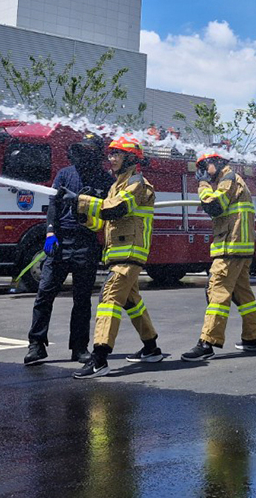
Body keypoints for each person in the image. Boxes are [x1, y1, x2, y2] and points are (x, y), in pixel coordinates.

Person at [70, 135, 164, 379]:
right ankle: (151, 348)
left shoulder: (137, 183)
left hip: (130, 252)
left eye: (116, 154)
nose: (110, 159)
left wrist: (83, 201)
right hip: (118, 253)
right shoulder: (116, 185)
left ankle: (99, 358)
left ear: (130, 158)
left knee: (109, 298)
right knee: (132, 301)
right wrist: (80, 213)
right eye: (110, 154)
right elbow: (101, 222)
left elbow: (117, 209)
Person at [23, 136, 113, 365]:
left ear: (96, 154)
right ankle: (36, 345)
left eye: (89, 151)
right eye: (80, 150)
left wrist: (91, 199)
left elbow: (109, 210)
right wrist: (50, 232)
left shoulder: (105, 179)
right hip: (61, 240)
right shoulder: (64, 174)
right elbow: (53, 204)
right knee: (44, 293)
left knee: (82, 299)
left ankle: (79, 348)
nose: (84, 155)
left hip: (86, 242)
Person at [181, 150, 256, 361]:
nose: (201, 172)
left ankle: (207, 343)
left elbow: (214, 206)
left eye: (204, 166)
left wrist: (203, 185)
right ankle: (252, 338)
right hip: (239, 248)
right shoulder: (232, 179)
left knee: (217, 293)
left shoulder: (227, 179)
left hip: (230, 248)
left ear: (216, 162)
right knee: (243, 295)